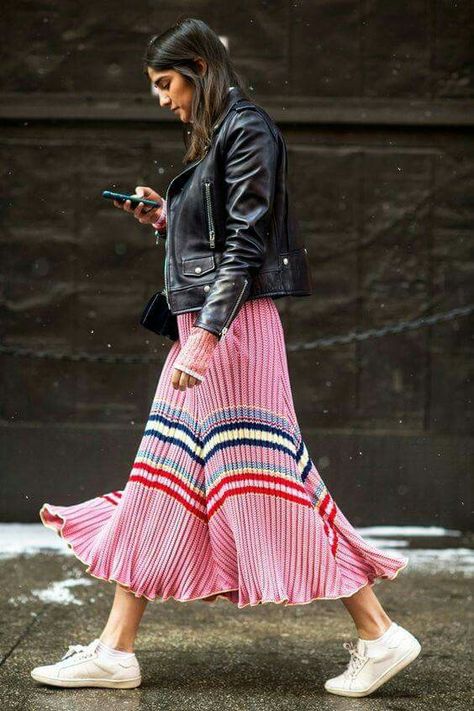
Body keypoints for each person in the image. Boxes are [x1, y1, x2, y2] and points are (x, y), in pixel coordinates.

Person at [30, 18, 421, 698]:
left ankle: (380, 631)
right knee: (162, 476)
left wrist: (207, 339)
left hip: (229, 333)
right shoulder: (221, 135)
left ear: (199, 69)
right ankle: (115, 649)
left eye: (164, 82)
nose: (160, 97)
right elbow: (218, 234)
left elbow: (246, 245)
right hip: (208, 326)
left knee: (270, 479)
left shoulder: (248, 129)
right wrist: (164, 215)